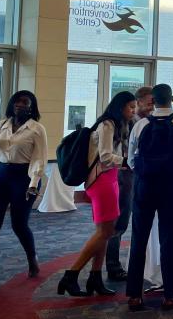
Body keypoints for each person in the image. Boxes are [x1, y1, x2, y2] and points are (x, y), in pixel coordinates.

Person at [126, 84, 173, 312]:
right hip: (171, 187)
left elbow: (130, 159)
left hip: (144, 186)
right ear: (172, 99)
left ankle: (135, 296)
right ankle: (169, 295)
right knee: (168, 239)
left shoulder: (140, 124)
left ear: (153, 101)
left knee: (139, 239)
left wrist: (142, 174)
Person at [56, 91, 136, 297]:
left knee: (106, 232)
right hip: (102, 181)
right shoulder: (108, 125)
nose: (133, 111)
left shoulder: (118, 126)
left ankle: (95, 277)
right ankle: (71, 275)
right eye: (131, 107)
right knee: (104, 232)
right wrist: (126, 161)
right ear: (120, 108)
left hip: (109, 179)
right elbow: (106, 156)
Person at [0, 91, 48, 292]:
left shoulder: (37, 129)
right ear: (12, 104)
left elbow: (39, 158)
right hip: (0, 175)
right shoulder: (1, 125)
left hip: (24, 177)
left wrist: (33, 184)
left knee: (19, 224)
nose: (20, 106)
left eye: (25, 103)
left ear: (32, 107)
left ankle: (32, 257)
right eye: (17, 103)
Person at [106, 85, 154, 282]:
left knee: (134, 222)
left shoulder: (147, 121)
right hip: (124, 177)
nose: (152, 107)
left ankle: (127, 264)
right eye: (150, 103)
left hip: (137, 176)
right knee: (119, 222)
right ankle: (113, 266)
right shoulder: (130, 123)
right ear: (139, 101)